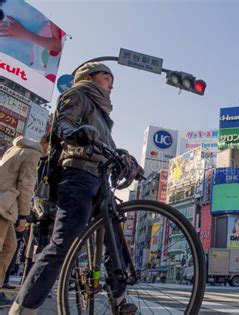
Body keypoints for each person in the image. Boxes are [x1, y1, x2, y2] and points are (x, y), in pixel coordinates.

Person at [10, 62, 137, 315]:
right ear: (88, 77)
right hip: (78, 175)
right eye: (106, 77)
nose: (111, 85)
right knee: (62, 244)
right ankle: (22, 309)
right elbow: (62, 124)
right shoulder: (77, 94)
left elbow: (107, 147)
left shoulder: (102, 114)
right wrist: (77, 132)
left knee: (115, 239)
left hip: (99, 180)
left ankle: (120, 298)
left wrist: (125, 159)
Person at [0, 135, 47, 307]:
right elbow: (26, 185)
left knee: (9, 246)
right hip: (4, 204)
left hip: (6, 203)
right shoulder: (33, 154)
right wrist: (23, 215)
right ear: (46, 144)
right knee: (5, 247)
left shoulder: (16, 148)